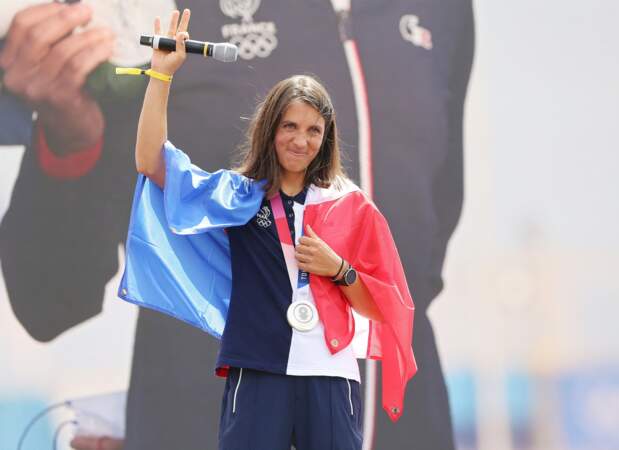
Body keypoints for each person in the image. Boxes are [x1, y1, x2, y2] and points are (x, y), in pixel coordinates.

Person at [0, 1, 473, 448]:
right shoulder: (151, 13)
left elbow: (422, 254)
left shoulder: (444, 11)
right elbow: (50, 300)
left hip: (408, 422)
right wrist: (67, 130)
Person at [118, 9, 415, 449]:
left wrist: (340, 270)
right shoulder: (239, 195)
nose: (301, 140)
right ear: (269, 130)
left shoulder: (351, 206)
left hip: (330, 376)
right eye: (289, 126)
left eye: (314, 130)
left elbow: (385, 307)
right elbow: (151, 162)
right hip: (257, 372)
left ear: (327, 138)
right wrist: (161, 77)